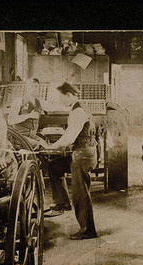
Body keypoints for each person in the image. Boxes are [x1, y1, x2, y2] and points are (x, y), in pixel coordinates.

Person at [40, 82, 98, 240]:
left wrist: (51, 147)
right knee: (55, 166)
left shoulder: (78, 111)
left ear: (70, 95)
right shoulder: (77, 107)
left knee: (80, 193)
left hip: (83, 155)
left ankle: (88, 230)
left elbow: (70, 137)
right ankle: (62, 202)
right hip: (82, 152)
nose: (61, 101)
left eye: (61, 98)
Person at [7, 77, 43, 143]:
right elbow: (10, 121)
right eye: (31, 86)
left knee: (47, 146)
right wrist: (29, 115)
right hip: (20, 137)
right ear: (26, 88)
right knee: (39, 145)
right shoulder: (19, 101)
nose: (34, 89)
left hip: (33, 136)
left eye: (36, 87)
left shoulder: (38, 102)